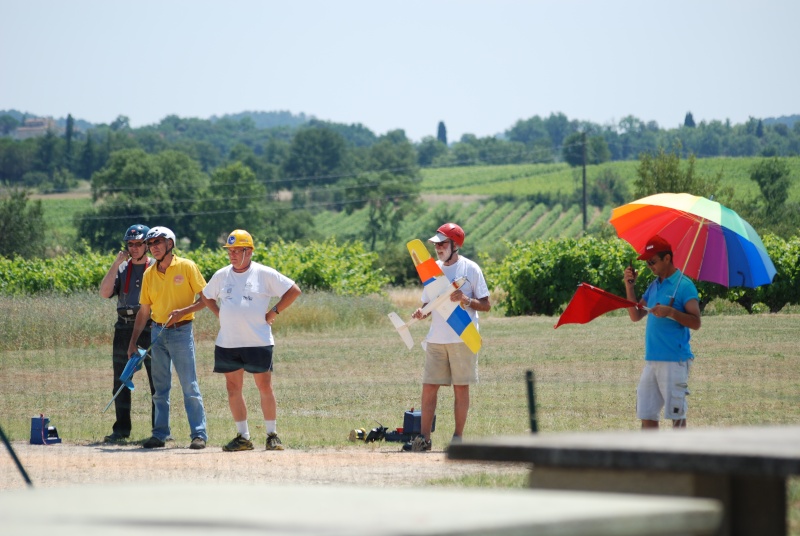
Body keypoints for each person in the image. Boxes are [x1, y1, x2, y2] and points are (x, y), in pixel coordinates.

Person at [172, 230, 301, 452]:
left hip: (258, 341)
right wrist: (218, 313)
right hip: (228, 342)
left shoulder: (263, 273)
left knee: (264, 387)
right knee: (233, 388)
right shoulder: (222, 275)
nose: (232, 255)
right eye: (229, 251)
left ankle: (272, 435)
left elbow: (293, 290)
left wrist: (273, 313)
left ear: (248, 251)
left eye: (236, 251)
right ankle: (243, 437)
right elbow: (206, 295)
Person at [405, 223, 491, 452]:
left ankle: (458, 439)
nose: (437, 248)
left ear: (455, 245)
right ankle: (423, 440)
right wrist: (422, 312)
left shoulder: (471, 269)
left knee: (461, 388)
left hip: (463, 337)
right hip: (436, 338)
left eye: (442, 243)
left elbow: (486, 304)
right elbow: (429, 301)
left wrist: (466, 300)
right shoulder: (432, 269)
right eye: (436, 244)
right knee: (428, 387)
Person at [125, 226, 209, 449]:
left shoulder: (187, 266)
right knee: (160, 389)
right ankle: (160, 434)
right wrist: (133, 342)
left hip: (182, 331)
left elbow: (206, 299)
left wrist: (183, 312)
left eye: (158, 242)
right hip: (157, 333)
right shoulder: (148, 274)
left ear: (170, 244)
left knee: (189, 386)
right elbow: (144, 310)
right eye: (151, 243)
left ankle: (199, 435)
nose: (154, 247)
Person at [624, 234, 702, 429]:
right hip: (652, 360)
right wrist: (629, 287)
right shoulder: (654, 285)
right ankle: (650, 458)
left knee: (677, 417)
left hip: (675, 361)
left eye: (653, 261)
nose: (650, 266)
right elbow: (635, 315)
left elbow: (696, 322)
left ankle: (679, 458)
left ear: (667, 258)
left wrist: (672, 312)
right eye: (647, 262)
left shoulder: (684, 286)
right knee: (647, 415)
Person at [98, 224, 156, 443]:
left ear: (147, 246)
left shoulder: (156, 268)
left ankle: (159, 430)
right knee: (121, 380)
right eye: (130, 244)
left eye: (138, 244)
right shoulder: (122, 268)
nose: (134, 248)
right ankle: (121, 430)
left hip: (150, 327)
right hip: (124, 326)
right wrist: (116, 263)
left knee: (156, 381)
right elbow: (104, 293)